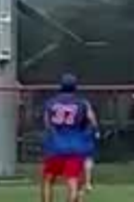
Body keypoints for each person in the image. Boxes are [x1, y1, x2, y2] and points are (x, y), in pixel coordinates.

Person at [41, 73, 97, 202]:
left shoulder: (51, 103)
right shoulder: (82, 103)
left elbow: (47, 124)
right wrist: (85, 132)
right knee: (73, 181)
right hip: (75, 147)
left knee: (48, 180)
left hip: (55, 147)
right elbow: (93, 122)